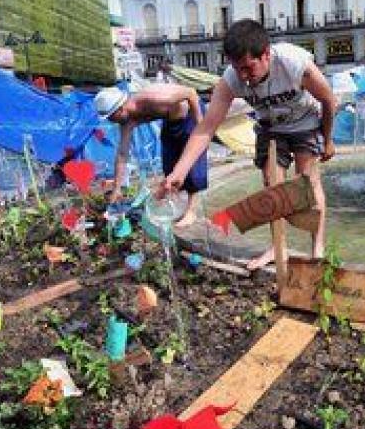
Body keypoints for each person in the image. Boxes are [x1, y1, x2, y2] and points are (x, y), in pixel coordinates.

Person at [162, 18, 336, 269]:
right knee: (271, 184)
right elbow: (206, 127)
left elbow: (329, 100)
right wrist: (179, 172)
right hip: (270, 126)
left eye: (248, 68)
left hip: (304, 123)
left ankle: (316, 248)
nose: (243, 77)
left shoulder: (294, 64)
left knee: (307, 183)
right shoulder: (232, 79)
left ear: (266, 54)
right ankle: (278, 246)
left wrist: (328, 140)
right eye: (237, 68)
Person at [94, 83, 207, 228]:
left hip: (191, 114)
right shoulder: (126, 121)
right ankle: (175, 205)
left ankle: (191, 211)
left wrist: (200, 128)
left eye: (111, 117)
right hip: (170, 121)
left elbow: (191, 92)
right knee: (169, 164)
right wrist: (116, 189)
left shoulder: (151, 99)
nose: (111, 121)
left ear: (120, 109)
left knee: (192, 165)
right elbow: (122, 154)